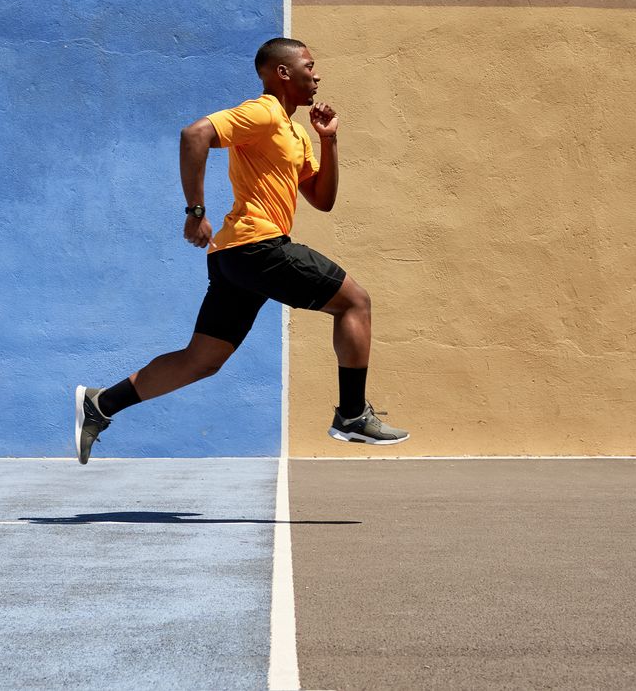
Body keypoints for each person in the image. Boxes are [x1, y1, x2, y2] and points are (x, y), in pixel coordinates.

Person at [75, 37, 408, 462]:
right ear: (282, 73)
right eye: (309, 65)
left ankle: (101, 404)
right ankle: (351, 414)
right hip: (258, 247)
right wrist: (195, 211)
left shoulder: (296, 132)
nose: (317, 74)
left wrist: (329, 141)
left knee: (202, 360)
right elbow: (194, 134)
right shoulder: (264, 112)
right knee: (355, 303)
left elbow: (322, 200)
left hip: (235, 256)